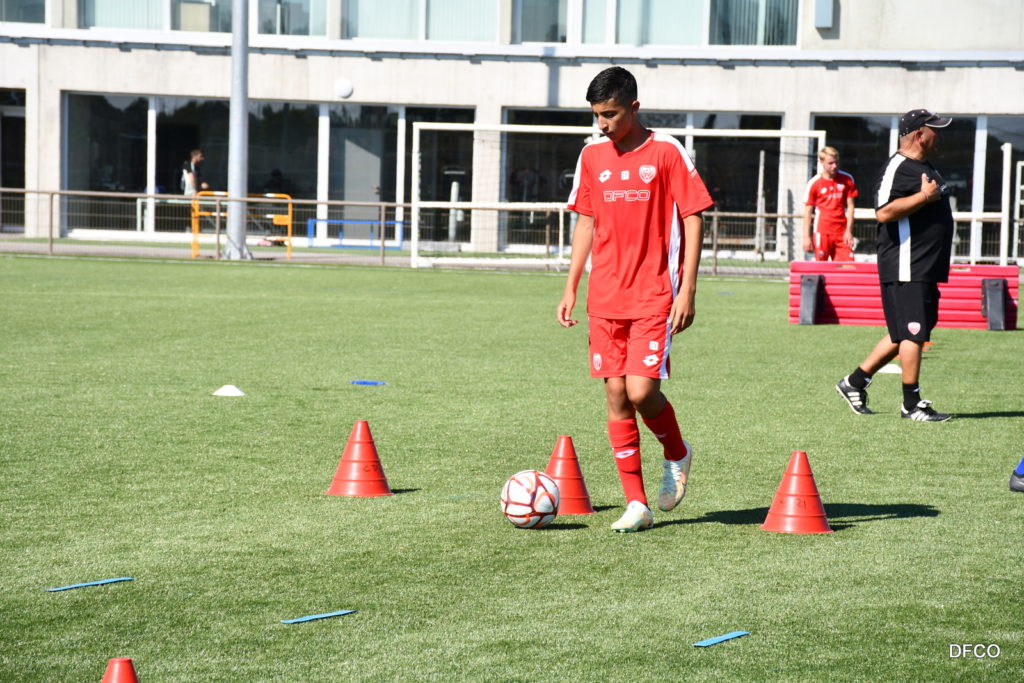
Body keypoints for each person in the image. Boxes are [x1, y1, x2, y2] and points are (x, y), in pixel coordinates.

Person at [557, 67, 714, 532]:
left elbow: (694, 216)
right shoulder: (591, 155)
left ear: (634, 107)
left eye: (610, 114)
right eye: (596, 115)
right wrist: (570, 286)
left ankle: (677, 452)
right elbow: (586, 220)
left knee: (641, 391)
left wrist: (688, 289)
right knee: (614, 394)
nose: (602, 124)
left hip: (654, 293)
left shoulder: (666, 151)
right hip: (605, 295)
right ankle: (637, 503)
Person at [835, 109, 954, 422]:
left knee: (908, 330)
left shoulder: (925, 166)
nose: (940, 135)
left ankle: (854, 382)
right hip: (907, 264)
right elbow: (883, 212)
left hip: (924, 266)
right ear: (919, 134)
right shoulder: (897, 166)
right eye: (935, 129)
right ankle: (911, 405)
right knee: (913, 332)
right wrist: (924, 197)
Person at [802, 146, 858, 261]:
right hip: (822, 232)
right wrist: (806, 237)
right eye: (830, 163)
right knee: (821, 267)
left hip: (842, 232)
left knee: (848, 267)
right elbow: (807, 212)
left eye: (837, 162)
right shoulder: (814, 183)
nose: (834, 166)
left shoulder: (847, 179)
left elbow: (851, 207)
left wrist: (849, 231)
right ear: (821, 162)